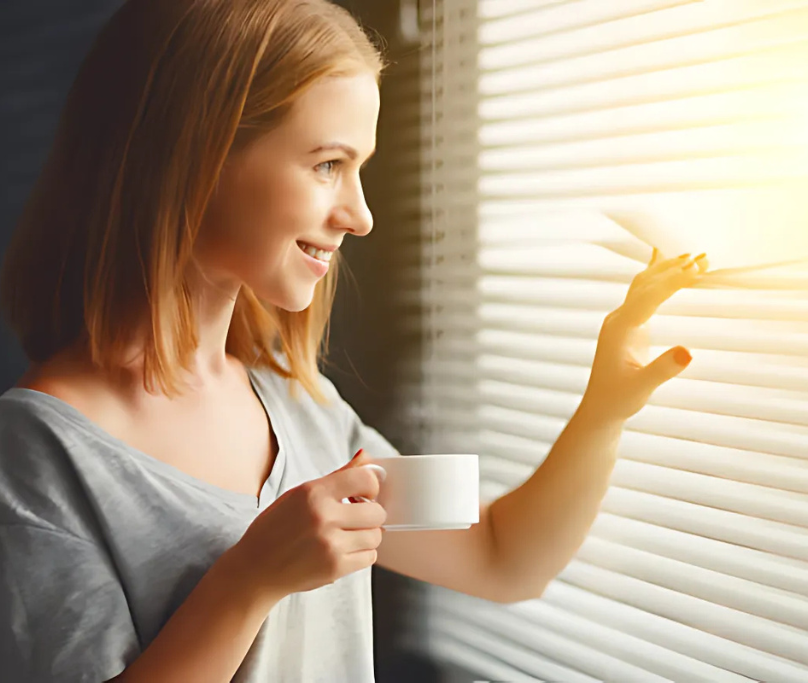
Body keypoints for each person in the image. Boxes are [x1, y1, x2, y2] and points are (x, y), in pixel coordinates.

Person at [0, 0, 707, 681]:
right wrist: (248, 579)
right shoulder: (39, 451)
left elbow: (502, 558)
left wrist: (604, 408)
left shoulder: (307, 413)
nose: (361, 215)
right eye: (327, 164)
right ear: (196, 153)